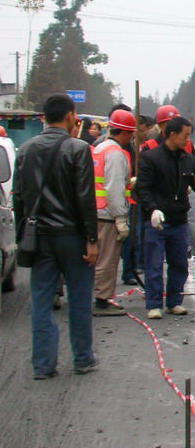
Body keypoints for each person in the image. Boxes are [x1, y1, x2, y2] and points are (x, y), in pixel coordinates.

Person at [11, 93, 99, 379]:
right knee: (79, 299)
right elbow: (85, 198)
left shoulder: (25, 150)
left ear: (43, 118)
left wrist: (23, 235)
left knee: (41, 301)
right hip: (72, 235)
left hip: (39, 235)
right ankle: (83, 359)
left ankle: (43, 365)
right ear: (70, 115)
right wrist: (92, 239)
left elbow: (19, 199)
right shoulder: (78, 148)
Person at [136, 116, 195, 320]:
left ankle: (174, 302)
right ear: (172, 135)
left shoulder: (187, 160)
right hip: (157, 222)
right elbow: (142, 188)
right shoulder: (151, 158)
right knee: (154, 264)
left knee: (179, 264)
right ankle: (154, 304)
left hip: (178, 220)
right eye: (185, 136)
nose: (187, 140)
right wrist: (152, 209)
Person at [91, 109, 135, 316]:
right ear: (125, 133)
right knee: (107, 260)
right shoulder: (116, 154)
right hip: (108, 215)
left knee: (97, 258)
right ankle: (102, 300)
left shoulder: (99, 148)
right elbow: (114, 187)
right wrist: (121, 218)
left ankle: (98, 296)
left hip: (96, 210)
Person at [120, 114, 153, 286]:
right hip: (130, 196)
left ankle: (137, 265)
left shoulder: (144, 147)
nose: (143, 133)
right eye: (140, 130)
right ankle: (128, 270)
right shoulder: (128, 148)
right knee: (132, 235)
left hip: (141, 194)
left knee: (140, 233)